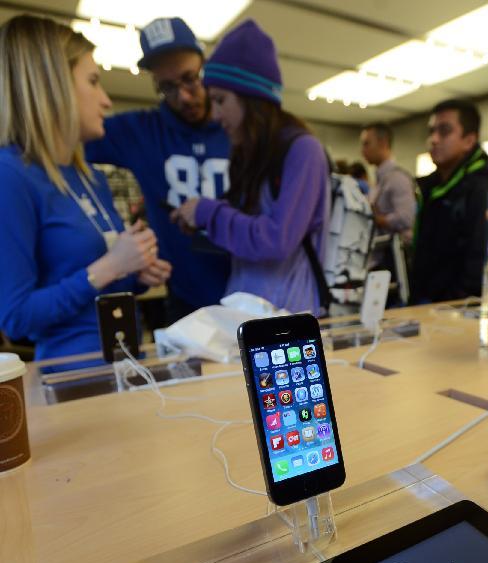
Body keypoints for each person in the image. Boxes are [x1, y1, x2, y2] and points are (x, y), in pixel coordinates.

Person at [0, 15, 169, 362]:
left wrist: (135, 271)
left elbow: (100, 284)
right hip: (72, 379)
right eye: (93, 81)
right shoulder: (11, 176)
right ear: (53, 86)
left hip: (125, 364)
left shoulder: (90, 177)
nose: (107, 101)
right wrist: (107, 267)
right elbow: (16, 318)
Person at [171, 20, 330, 316]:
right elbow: (248, 225)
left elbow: (276, 240)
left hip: (289, 318)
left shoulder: (302, 150)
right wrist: (202, 221)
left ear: (253, 99)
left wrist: (208, 212)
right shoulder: (247, 152)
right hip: (243, 312)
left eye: (220, 100)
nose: (214, 115)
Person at [85, 17, 230, 323]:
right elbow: (60, 138)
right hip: (184, 298)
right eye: (167, 87)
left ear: (205, 65)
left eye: (190, 78)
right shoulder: (139, 131)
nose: (184, 96)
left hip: (252, 287)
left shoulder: (235, 123)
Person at [411, 99, 488, 303]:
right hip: (426, 303)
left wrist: (449, 307)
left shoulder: (483, 188)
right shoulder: (434, 185)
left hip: (452, 312)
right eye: (431, 131)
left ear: (469, 140)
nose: (433, 139)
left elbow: (478, 266)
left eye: (444, 131)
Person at [360, 122, 415, 245]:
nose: (362, 151)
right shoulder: (381, 179)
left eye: (367, 144)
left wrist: (378, 220)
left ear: (382, 143)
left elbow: (406, 218)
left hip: (394, 257)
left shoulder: (398, 178)